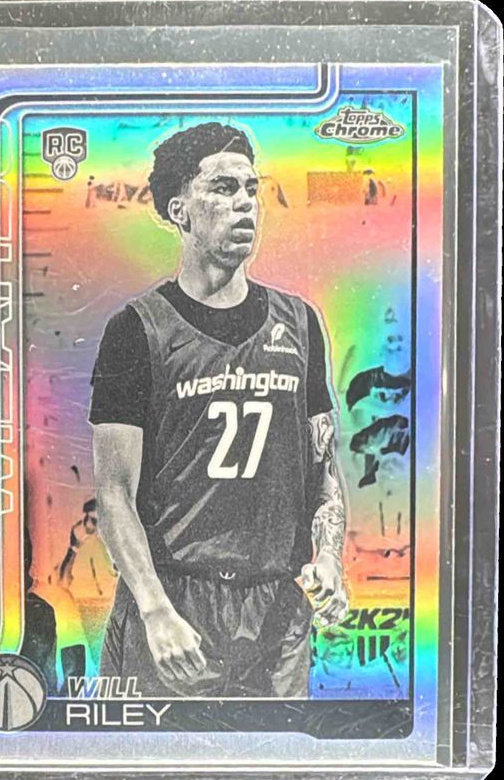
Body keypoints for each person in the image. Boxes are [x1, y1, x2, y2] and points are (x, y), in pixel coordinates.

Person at [89, 122, 348, 698]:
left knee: (275, 758)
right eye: (223, 188)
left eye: (252, 189)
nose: (245, 203)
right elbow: (113, 495)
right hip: (175, 602)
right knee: (151, 757)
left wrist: (330, 559)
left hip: (276, 612)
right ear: (179, 210)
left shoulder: (300, 323)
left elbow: (324, 473)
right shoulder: (137, 330)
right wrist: (154, 609)